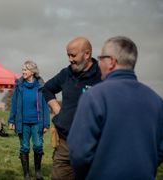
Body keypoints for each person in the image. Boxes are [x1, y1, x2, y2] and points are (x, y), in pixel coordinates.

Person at [67, 36, 163, 180]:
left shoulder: (94, 96)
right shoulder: (156, 100)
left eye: (101, 58)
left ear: (111, 61)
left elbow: (79, 152)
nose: (98, 63)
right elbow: (160, 149)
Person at [43, 36, 101, 179]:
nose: (70, 59)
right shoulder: (66, 73)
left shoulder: (103, 75)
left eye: (73, 55)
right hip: (65, 144)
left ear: (87, 54)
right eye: (68, 55)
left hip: (93, 145)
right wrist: (57, 110)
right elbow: (47, 89)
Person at [8, 60, 50, 180]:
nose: (23, 72)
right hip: (23, 122)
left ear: (32, 71)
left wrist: (46, 123)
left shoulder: (40, 87)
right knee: (24, 147)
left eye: (25, 70)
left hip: (37, 122)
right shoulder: (19, 86)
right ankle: (26, 174)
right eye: (22, 70)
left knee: (38, 146)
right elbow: (14, 104)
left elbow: (45, 106)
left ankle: (38, 172)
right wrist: (11, 121)